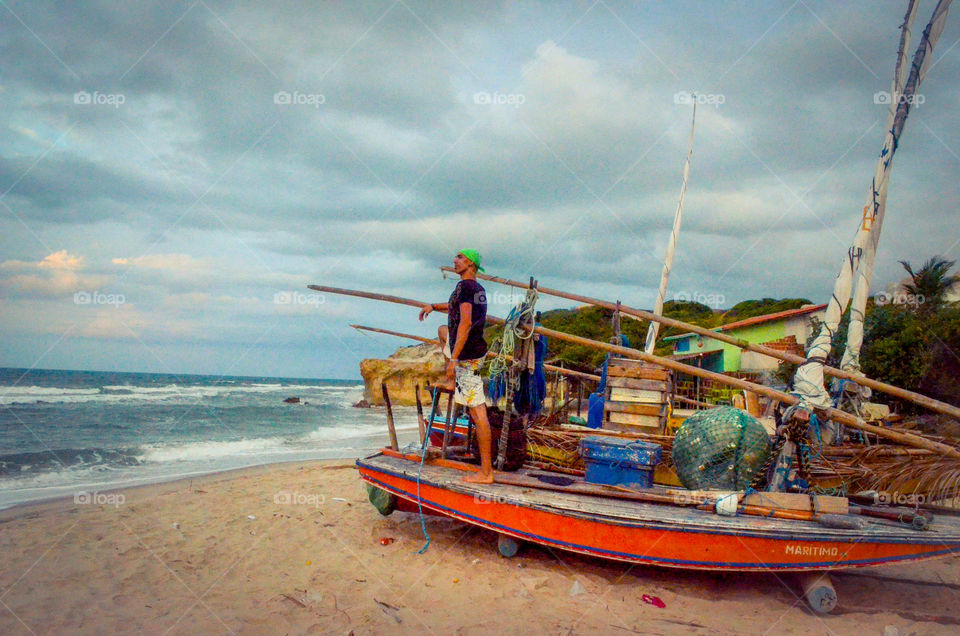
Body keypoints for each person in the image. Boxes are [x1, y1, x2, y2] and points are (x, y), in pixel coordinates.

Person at [419, 250, 494, 484]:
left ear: (470, 263)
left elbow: (466, 321)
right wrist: (433, 306)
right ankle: (451, 381)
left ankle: (486, 472)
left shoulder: (466, 287)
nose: (455, 260)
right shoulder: (475, 289)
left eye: (460, 257)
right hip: (474, 352)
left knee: (478, 412)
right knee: (443, 331)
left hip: (467, 358)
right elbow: (455, 307)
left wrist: (453, 359)